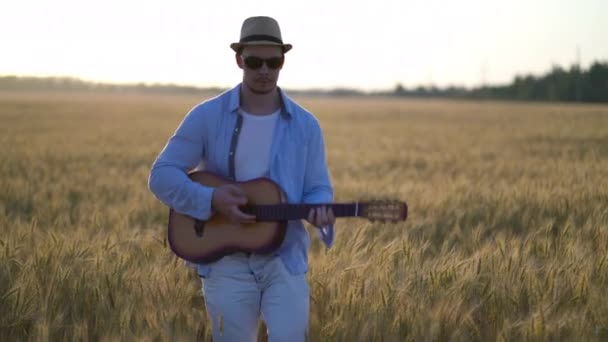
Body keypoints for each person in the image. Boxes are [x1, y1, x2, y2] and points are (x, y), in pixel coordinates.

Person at [148, 16, 336, 341]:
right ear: (239, 60)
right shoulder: (206, 116)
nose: (264, 70)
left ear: (283, 61)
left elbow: (317, 186)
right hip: (225, 260)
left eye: (273, 61)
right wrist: (210, 200)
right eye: (254, 61)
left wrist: (320, 209)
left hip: (284, 258)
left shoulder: (307, 126)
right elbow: (161, 176)